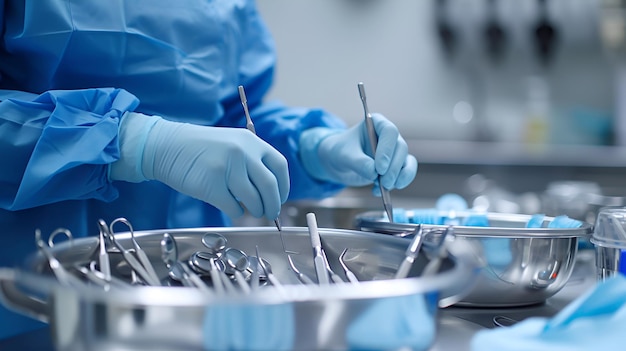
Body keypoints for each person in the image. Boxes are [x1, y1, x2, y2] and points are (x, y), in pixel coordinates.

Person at [0, 0, 418, 340]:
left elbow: (233, 119)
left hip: (201, 291)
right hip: (35, 306)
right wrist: (134, 143)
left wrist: (313, 148)